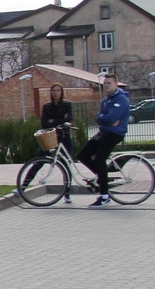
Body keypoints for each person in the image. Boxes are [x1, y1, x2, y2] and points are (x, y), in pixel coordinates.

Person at [77, 73, 130, 208]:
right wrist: (104, 119)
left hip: (115, 134)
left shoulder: (121, 99)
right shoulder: (106, 100)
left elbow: (111, 118)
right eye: (105, 83)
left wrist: (104, 119)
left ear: (116, 84)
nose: (106, 85)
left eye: (109, 83)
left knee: (100, 160)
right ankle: (102, 177)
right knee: (82, 155)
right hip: (104, 132)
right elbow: (100, 118)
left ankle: (104, 196)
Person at [40, 83, 75, 204]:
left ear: (61, 92)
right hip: (50, 137)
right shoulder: (47, 106)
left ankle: (67, 193)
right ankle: (23, 186)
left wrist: (53, 120)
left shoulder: (67, 105)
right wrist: (59, 120)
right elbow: (44, 123)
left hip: (64, 137)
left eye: (58, 90)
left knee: (66, 164)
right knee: (39, 159)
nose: (55, 93)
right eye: (53, 90)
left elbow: (69, 120)